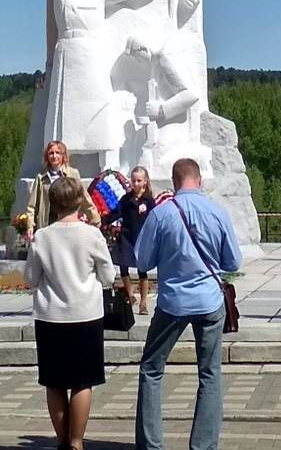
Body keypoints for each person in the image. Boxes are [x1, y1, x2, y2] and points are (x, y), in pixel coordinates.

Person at [133, 158, 241, 450]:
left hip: (172, 302)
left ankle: (151, 444)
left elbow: (142, 260)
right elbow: (233, 262)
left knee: (152, 369)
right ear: (200, 180)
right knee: (209, 374)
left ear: (173, 181)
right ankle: (203, 446)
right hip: (209, 301)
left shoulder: (161, 213)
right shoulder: (217, 212)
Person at [26, 176, 115, 450]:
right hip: (86, 315)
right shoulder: (92, 235)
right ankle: (77, 441)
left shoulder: (42, 237)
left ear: (52, 203)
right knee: (83, 381)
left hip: (51, 316)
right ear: (80, 201)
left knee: (54, 383)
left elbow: (30, 278)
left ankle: (62, 440)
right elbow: (109, 277)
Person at [105, 166, 155, 315]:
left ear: (145, 181)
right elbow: (115, 213)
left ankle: (144, 302)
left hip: (141, 238)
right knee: (123, 266)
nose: (135, 183)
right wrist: (103, 220)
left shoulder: (149, 200)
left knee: (142, 270)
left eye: (139, 180)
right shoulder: (126, 199)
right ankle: (131, 295)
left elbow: (154, 218)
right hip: (126, 237)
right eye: (133, 180)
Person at [27, 140, 82, 235]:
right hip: (47, 222)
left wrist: (94, 219)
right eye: (51, 153)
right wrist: (30, 226)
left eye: (58, 153)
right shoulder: (41, 177)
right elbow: (32, 205)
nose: (54, 156)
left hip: (67, 221)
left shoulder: (72, 174)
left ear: (63, 155)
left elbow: (83, 197)